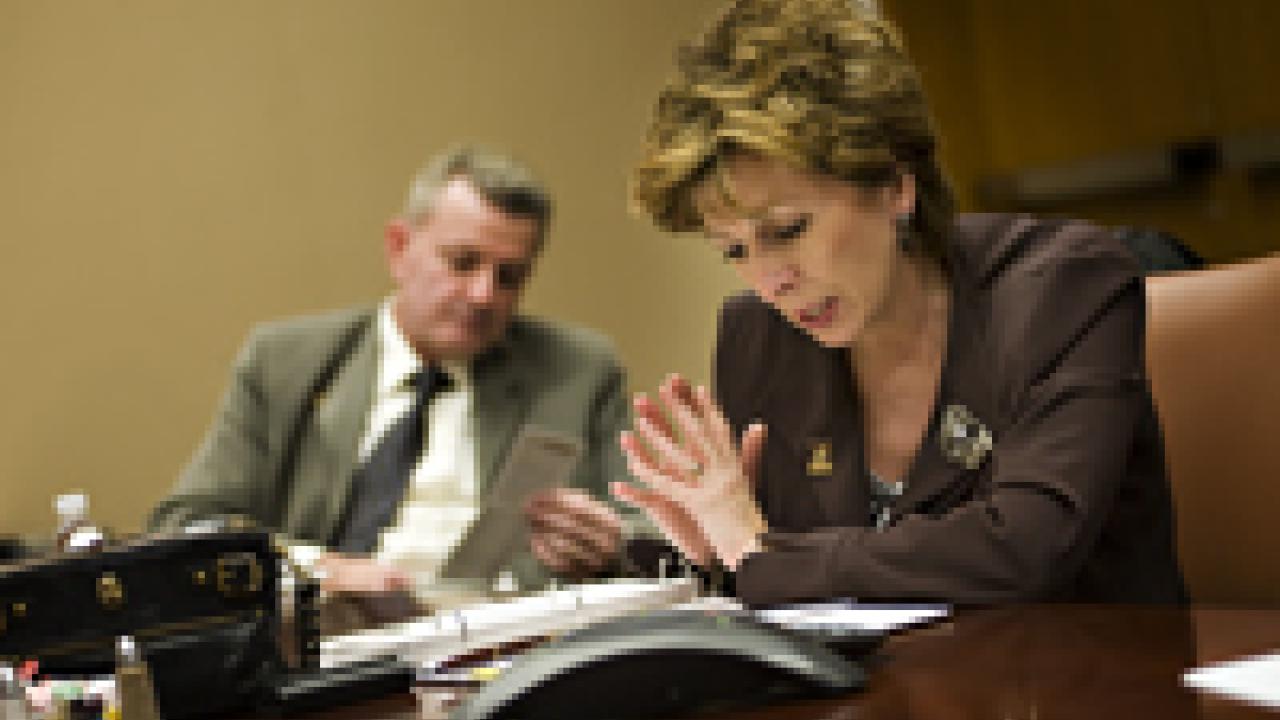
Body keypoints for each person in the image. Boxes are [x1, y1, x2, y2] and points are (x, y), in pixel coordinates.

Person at [615, 0, 1187, 605]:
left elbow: (1027, 546)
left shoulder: (1062, 287)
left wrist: (764, 555)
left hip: (1089, 659)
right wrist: (714, 561)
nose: (768, 280)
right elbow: (780, 578)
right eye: (733, 250)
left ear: (894, 186)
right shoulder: (757, 337)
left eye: (787, 230)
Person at [152, 146, 628, 596]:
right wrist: (319, 569)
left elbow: (646, 533)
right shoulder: (283, 362)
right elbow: (188, 524)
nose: (484, 294)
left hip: (509, 633)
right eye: (462, 263)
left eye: (510, 276)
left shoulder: (579, 371)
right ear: (399, 248)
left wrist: (611, 547)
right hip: (338, 629)